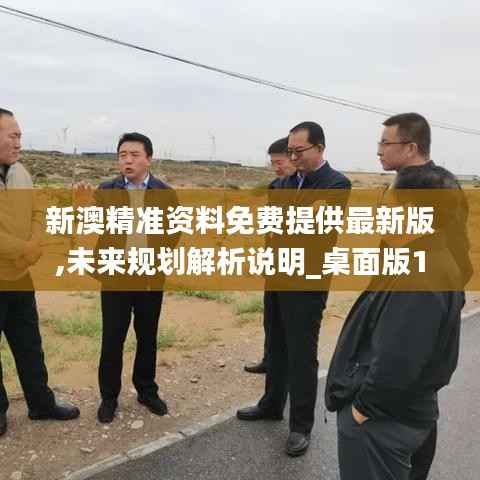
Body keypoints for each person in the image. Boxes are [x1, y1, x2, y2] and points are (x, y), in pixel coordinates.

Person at [325, 118, 468, 480]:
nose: (380, 211)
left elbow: (400, 357)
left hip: (385, 417)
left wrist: (362, 410)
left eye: (387, 203)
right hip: (404, 399)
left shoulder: (422, 271)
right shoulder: (420, 252)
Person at [237, 121, 351, 456]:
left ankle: (301, 426)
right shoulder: (281, 183)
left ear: (320, 148)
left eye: (299, 151)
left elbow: (317, 232)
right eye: (290, 151)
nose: (293, 157)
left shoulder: (335, 184)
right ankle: (272, 404)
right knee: (275, 345)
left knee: (301, 354)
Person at [378, 113, 472, 480]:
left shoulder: (440, 188)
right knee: (395, 381)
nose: (378, 150)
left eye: (385, 143)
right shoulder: (398, 184)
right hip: (396, 294)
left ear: (410, 147)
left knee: (417, 394)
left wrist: (439, 297)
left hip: (425, 300)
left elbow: (457, 252)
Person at [80, 132, 178, 424]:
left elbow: (174, 232)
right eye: (123, 155)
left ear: (148, 159)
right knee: (112, 339)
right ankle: (109, 397)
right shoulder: (106, 190)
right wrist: (82, 207)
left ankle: (146, 390)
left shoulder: (165, 192)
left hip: (150, 278)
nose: (128, 160)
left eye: (134, 155)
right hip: (116, 277)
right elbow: (92, 228)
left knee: (147, 337)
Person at [0, 107, 80, 437]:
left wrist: (34, 242)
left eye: (20, 135)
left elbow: (37, 211)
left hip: (20, 278)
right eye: (13, 135)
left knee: (30, 344)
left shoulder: (21, 173)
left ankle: (41, 404)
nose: (19, 142)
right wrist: (24, 248)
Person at [244, 137, 295, 375]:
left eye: (279, 162)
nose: (276, 168)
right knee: (271, 317)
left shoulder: (304, 188)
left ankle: (289, 363)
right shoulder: (275, 186)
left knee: (291, 322)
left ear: (293, 157)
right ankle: (270, 358)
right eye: (273, 163)